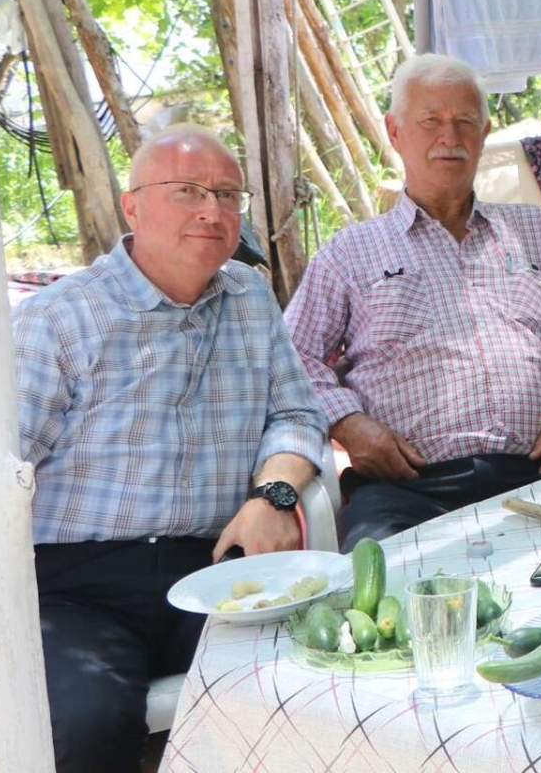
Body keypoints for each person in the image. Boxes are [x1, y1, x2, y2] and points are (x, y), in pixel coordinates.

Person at [16, 125, 326, 772]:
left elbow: (297, 413)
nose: (212, 211)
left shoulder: (249, 298)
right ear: (132, 207)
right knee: (85, 725)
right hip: (76, 587)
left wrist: (274, 495)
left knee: (312, 688)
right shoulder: (59, 319)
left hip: (214, 570)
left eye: (227, 194)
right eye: (187, 191)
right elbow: (5, 467)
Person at [285, 55, 541, 549]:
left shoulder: (536, 231)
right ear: (395, 132)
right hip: (410, 491)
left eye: (464, 121)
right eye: (430, 121)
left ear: (484, 133)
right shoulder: (349, 253)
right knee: (386, 585)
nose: (450, 136)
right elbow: (291, 360)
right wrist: (349, 424)